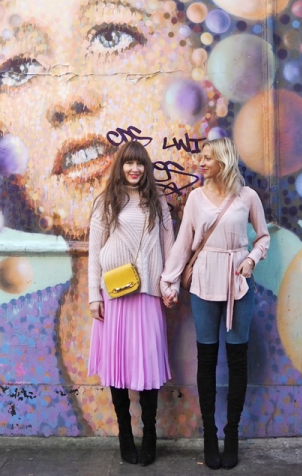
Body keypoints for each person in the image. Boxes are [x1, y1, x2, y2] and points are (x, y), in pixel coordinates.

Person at [160, 137, 270, 470]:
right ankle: (210, 434)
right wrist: (169, 281)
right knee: (206, 358)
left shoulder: (247, 196)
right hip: (204, 280)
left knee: (237, 358)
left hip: (238, 282)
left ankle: (231, 434)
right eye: (201, 157)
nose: (201, 163)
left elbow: (263, 236)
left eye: (208, 158)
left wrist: (251, 259)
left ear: (223, 160)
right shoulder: (195, 197)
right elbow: (183, 243)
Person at [87, 140, 174, 466]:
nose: (134, 169)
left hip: (148, 294)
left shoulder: (157, 202)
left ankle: (149, 433)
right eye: (128, 163)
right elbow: (95, 252)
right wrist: (94, 296)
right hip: (115, 295)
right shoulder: (106, 201)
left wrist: (170, 285)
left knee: (147, 365)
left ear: (145, 167)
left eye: (139, 164)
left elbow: (170, 246)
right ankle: (125, 432)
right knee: (118, 365)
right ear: (120, 166)